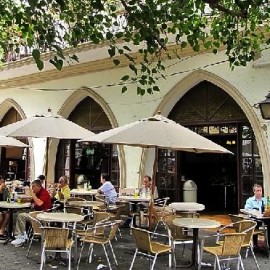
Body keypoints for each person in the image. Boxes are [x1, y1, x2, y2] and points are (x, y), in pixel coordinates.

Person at [11, 179, 52, 247]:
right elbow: (32, 201)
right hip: (36, 213)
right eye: (32, 187)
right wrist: (23, 199)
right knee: (20, 212)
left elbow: (39, 203)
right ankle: (23, 234)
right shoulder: (37, 193)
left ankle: (21, 237)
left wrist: (32, 193)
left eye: (33, 186)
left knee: (21, 215)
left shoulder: (44, 193)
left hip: (42, 216)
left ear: (39, 186)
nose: (32, 188)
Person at [245, 183, 267, 248]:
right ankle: (255, 244)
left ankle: (268, 244)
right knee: (255, 224)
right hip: (255, 219)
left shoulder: (265, 200)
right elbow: (247, 210)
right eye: (257, 191)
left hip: (264, 218)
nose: (259, 192)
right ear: (254, 191)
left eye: (260, 191)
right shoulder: (250, 200)